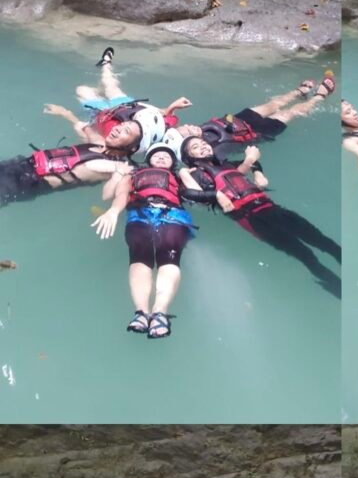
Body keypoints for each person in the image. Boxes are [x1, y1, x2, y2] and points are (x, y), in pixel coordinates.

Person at [179, 140, 341, 298]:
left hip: (274, 209)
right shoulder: (195, 175)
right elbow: (188, 193)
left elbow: (253, 163)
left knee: (323, 241)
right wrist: (214, 193)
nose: (203, 146)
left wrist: (258, 174)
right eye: (195, 147)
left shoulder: (227, 165)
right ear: (189, 157)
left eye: (204, 143)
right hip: (252, 218)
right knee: (305, 255)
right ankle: (337, 287)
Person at [91, 142, 197, 337]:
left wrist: (185, 174)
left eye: (167, 156)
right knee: (140, 256)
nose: (162, 157)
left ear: (173, 162)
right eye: (156, 155)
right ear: (148, 160)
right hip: (140, 213)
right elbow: (115, 194)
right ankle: (141, 312)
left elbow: (197, 195)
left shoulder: (178, 176)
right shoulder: (132, 174)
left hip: (173, 214)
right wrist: (114, 210)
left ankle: (160, 312)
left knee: (169, 255)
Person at [178, 74, 336, 159]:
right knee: (289, 113)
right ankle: (319, 97)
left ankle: (299, 91)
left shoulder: (200, 129)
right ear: (188, 144)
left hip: (239, 119)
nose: (190, 126)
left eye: (186, 126)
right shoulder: (212, 152)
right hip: (256, 133)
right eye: (188, 130)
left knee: (272, 105)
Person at [0, 136, 131, 207]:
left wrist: (118, 175)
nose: (118, 129)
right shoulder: (98, 143)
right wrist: (65, 113)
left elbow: (106, 196)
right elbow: (82, 127)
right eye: (123, 125)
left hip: (29, 182)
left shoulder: (116, 167)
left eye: (126, 131)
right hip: (22, 164)